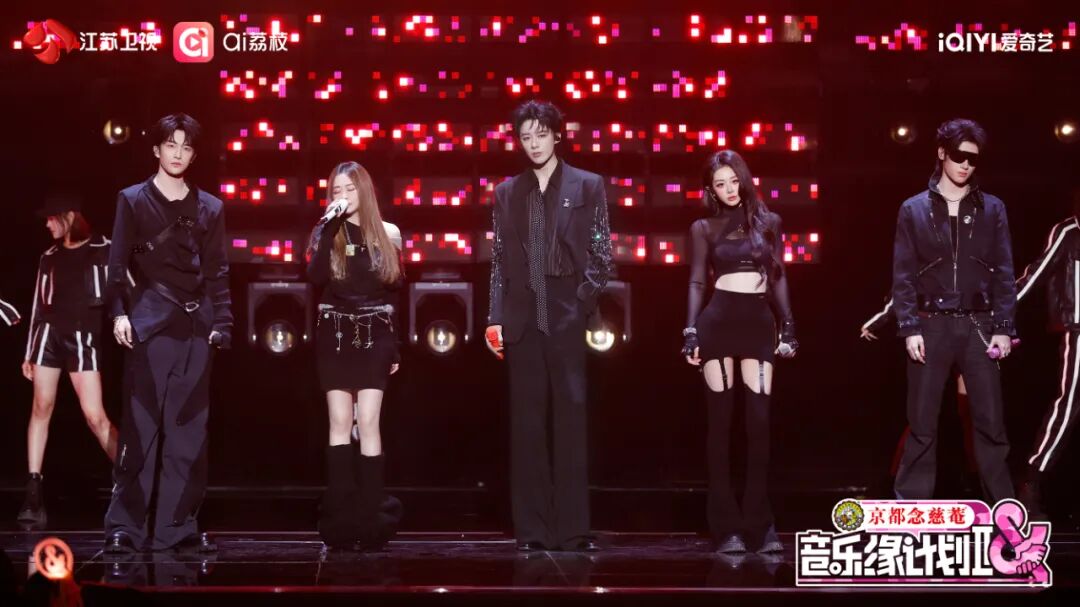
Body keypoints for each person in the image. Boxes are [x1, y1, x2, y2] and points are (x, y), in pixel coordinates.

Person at [485, 100, 612, 552]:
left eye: (541, 134)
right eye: (526, 137)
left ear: (558, 134)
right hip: (522, 307)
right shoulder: (506, 192)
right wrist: (494, 317)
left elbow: (601, 252)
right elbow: (499, 259)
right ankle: (533, 531)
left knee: (570, 418)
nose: (534, 144)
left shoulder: (587, 184)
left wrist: (581, 299)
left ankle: (572, 529)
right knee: (527, 423)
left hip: (564, 304)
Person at [103, 113, 231, 553]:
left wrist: (223, 324)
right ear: (156, 149)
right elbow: (117, 265)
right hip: (149, 324)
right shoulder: (133, 200)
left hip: (196, 329)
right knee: (141, 430)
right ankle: (125, 527)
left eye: (186, 147)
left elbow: (218, 270)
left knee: (188, 433)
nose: (178, 153)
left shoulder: (211, 207)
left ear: (194, 155)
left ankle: (176, 527)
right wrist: (118, 314)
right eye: (171, 145)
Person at [890, 118, 1015, 502]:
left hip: (979, 325)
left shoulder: (992, 208)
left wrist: (1003, 326)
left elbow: (1004, 271)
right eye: (959, 156)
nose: (966, 165)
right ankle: (911, 511)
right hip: (930, 325)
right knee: (922, 421)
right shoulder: (913, 209)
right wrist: (909, 326)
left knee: (990, 421)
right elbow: (903, 274)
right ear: (942, 153)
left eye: (973, 159)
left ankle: (1003, 512)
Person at [682, 150, 796, 554]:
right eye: (720, 184)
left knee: (759, 425)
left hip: (758, 324)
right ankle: (726, 527)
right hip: (718, 322)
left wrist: (789, 323)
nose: (729, 189)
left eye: (733, 181)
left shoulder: (769, 223)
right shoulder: (703, 227)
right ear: (710, 190)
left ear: (744, 179)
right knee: (720, 425)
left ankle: (760, 524)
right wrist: (690, 330)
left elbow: (777, 275)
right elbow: (697, 280)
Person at [306, 161, 404, 550]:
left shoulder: (388, 232)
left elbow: (395, 287)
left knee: (368, 421)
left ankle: (370, 518)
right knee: (339, 422)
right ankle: (341, 519)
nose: (343, 196)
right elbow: (315, 277)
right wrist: (328, 227)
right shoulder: (325, 231)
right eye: (336, 190)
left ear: (363, 190)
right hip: (335, 332)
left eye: (349, 189)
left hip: (375, 332)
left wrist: (395, 346)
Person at [17, 192, 118, 526]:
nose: (47, 225)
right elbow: (37, 305)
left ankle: (134, 481)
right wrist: (29, 352)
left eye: (51, 218)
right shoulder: (49, 256)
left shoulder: (104, 248)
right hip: (48, 337)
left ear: (69, 216)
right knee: (40, 408)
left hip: (83, 339)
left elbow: (127, 290)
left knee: (95, 417)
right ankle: (33, 494)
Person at [1012, 185, 1080, 519]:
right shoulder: (1069, 231)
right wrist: (1000, 309)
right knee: (1068, 405)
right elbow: (1037, 273)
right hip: (1079, 328)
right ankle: (1032, 480)